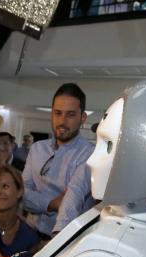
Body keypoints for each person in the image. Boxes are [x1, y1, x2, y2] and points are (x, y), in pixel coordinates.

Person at [22, 83, 95, 238]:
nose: (62, 121)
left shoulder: (90, 153)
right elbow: (22, 194)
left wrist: (57, 241)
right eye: (57, 113)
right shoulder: (36, 149)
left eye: (70, 115)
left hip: (66, 239)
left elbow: (73, 196)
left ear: (82, 118)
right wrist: (52, 203)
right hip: (30, 233)